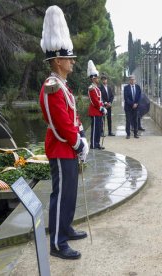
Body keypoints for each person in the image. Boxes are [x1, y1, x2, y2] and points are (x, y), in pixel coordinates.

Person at [38, 5, 89, 260]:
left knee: (70, 191)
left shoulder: (62, 86)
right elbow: (59, 124)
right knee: (60, 195)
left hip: (68, 146)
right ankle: (57, 243)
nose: (72, 62)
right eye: (69, 59)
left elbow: (72, 117)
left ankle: (66, 228)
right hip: (61, 147)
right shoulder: (52, 86)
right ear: (58, 61)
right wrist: (76, 142)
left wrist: (81, 137)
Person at [87, 60, 106, 149]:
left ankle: (97, 143)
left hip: (99, 112)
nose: (98, 79)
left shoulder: (97, 88)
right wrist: (101, 108)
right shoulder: (91, 88)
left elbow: (100, 100)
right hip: (95, 112)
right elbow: (94, 101)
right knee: (94, 129)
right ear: (93, 79)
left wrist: (103, 106)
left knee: (99, 129)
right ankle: (93, 145)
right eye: (97, 78)